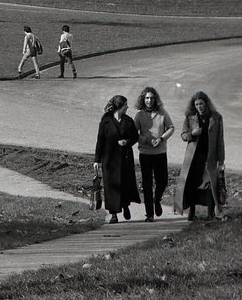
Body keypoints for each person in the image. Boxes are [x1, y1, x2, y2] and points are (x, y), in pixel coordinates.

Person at [175, 90, 226, 221]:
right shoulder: (190, 117)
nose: (199, 107)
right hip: (193, 158)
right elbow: (183, 135)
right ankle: (192, 212)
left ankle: (211, 213)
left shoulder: (216, 118)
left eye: (201, 104)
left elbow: (220, 140)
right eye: (196, 105)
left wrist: (221, 159)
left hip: (209, 157)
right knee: (192, 184)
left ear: (207, 104)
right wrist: (193, 134)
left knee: (210, 185)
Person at [93, 95, 140, 223]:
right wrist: (97, 159)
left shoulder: (128, 121)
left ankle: (125, 206)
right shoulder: (106, 120)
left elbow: (135, 137)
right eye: (125, 105)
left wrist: (127, 141)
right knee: (110, 187)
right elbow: (100, 140)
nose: (127, 107)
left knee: (125, 184)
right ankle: (114, 214)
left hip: (125, 158)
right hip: (109, 159)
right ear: (120, 106)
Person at [133, 86, 175, 222]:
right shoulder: (139, 115)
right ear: (143, 99)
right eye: (146, 98)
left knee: (162, 181)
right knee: (147, 183)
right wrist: (145, 140)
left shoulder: (162, 113)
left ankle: (157, 200)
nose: (149, 101)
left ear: (155, 99)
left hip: (160, 152)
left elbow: (171, 128)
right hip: (145, 153)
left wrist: (161, 139)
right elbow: (133, 133)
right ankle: (149, 214)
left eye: (151, 98)